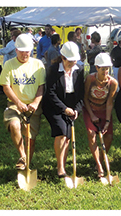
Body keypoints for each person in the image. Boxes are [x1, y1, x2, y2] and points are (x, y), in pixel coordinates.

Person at [0, 34, 46, 170]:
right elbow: (6, 87)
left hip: (32, 106)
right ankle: (22, 156)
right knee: (14, 125)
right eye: (22, 50)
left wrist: (36, 103)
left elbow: (41, 87)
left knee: (30, 138)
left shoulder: (38, 65)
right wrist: (18, 103)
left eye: (27, 50)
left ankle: (26, 167)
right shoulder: (9, 64)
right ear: (16, 50)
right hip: (14, 104)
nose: (25, 53)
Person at [42, 42, 84, 178]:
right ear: (63, 58)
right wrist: (64, 109)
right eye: (70, 61)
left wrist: (77, 110)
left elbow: (81, 93)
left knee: (67, 136)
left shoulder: (80, 70)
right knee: (61, 132)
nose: (73, 63)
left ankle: (63, 165)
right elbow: (51, 93)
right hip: (53, 106)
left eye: (74, 60)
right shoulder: (54, 70)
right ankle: (60, 169)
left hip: (71, 106)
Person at [83, 53, 118, 178]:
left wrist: (107, 121)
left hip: (104, 110)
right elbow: (85, 98)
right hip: (90, 109)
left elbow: (109, 102)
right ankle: (98, 166)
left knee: (108, 137)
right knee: (92, 135)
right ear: (96, 68)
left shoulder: (113, 83)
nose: (105, 71)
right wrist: (92, 115)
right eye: (103, 69)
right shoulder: (90, 79)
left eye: (107, 68)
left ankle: (102, 160)